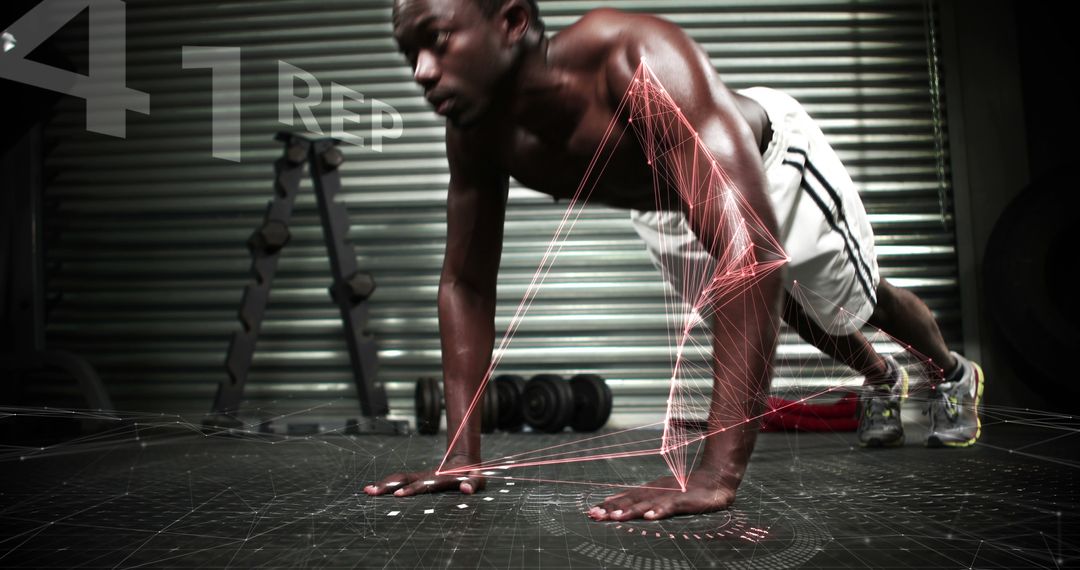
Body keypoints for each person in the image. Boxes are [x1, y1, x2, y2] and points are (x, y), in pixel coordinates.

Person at [364, 0, 983, 521]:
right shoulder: (475, 129)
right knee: (789, 308)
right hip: (667, 203)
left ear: (512, 21)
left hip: (772, 158)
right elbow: (466, 284)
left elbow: (753, 251)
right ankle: (881, 378)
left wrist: (714, 474)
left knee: (856, 299)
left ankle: (952, 371)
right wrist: (459, 455)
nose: (420, 71)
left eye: (438, 40)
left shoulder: (631, 56)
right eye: (408, 53)